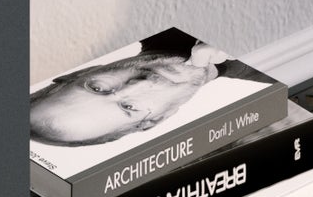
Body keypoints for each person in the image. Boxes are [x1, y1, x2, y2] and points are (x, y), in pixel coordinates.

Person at [30, 32, 247, 147]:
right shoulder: (274, 81)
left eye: (98, 88)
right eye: (129, 107)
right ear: (157, 119)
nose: (142, 84)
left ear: (82, 72)